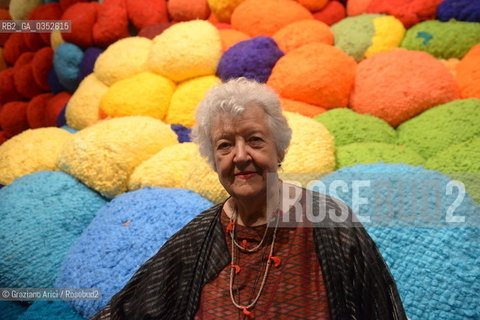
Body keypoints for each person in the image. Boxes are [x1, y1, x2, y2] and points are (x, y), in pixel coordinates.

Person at [91, 78, 407, 320]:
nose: (241, 156)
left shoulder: (332, 224)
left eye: (255, 140)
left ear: (279, 148)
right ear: (214, 160)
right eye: (225, 145)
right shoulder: (197, 239)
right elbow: (126, 310)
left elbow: (382, 309)